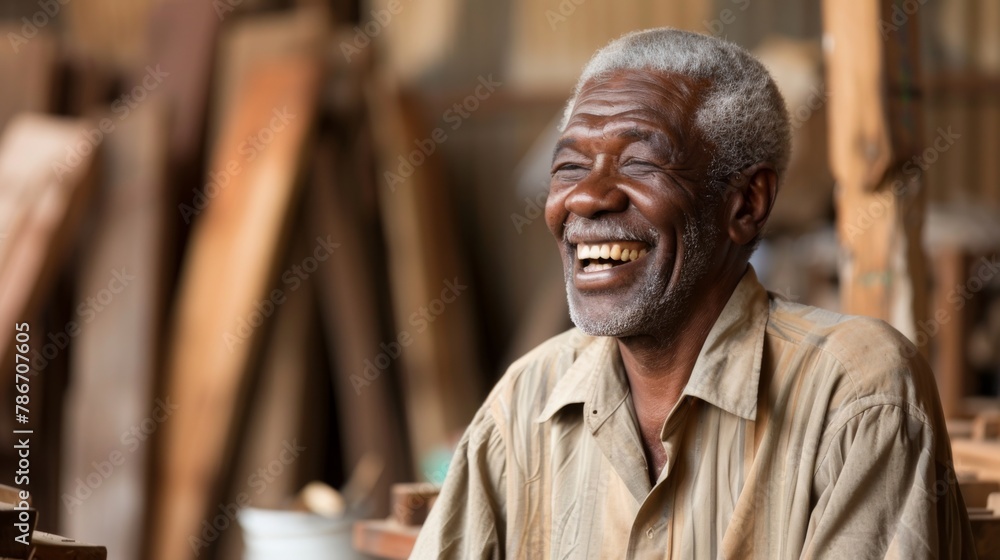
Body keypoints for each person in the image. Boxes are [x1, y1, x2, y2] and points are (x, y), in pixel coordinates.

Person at [410, 27, 975, 559]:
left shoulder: (855, 394)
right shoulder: (525, 401)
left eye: (639, 163)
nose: (585, 198)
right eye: (571, 166)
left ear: (746, 204)